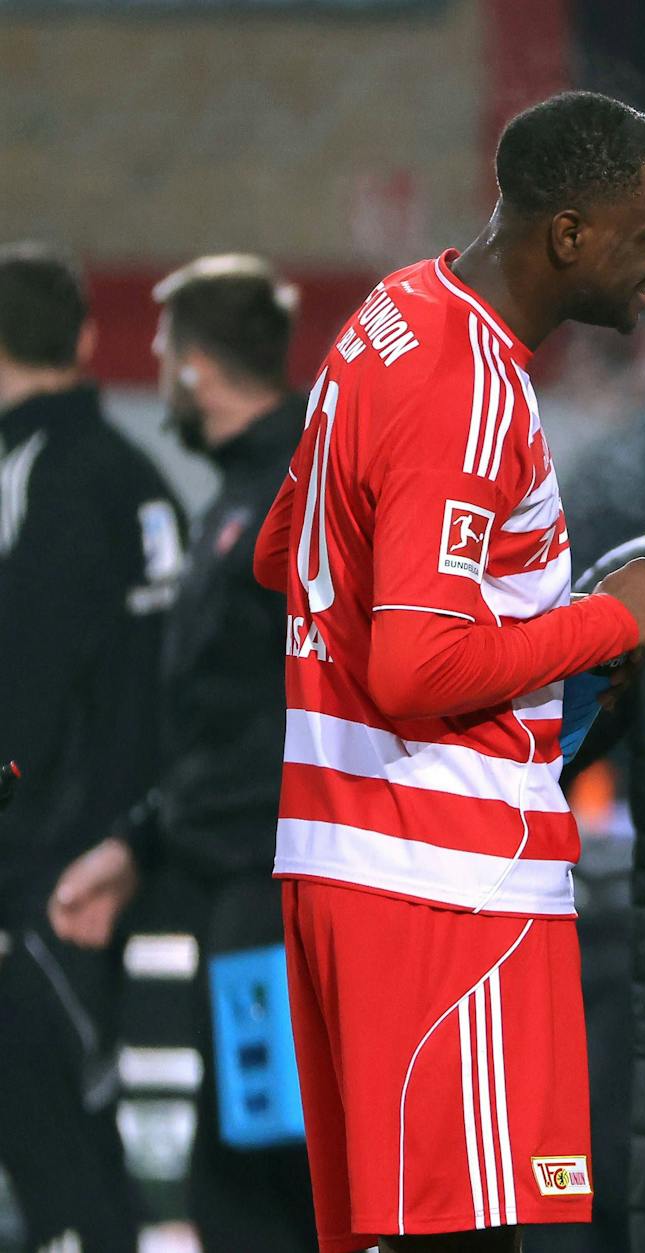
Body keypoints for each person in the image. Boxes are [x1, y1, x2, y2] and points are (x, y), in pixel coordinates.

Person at [251, 91, 645, 1253]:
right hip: (449, 887)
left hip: (347, 859)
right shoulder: (468, 387)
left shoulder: (391, 313)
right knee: (469, 1243)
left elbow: (276, 550)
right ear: (570, 234)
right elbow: (413, 664)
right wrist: (607, 621)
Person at [46, 254, 319, 1250]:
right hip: (227, 875)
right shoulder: (243, 492)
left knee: (275, 1150)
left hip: (273, 882)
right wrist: (142, 842)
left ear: (195, 365)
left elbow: (284, 712)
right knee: (236, 1144)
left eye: (164, 353)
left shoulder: (295, 494)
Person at [0, 241, 183, 1253]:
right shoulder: (138, 475)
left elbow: (20, 699)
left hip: (40, 868)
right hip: (130, 847)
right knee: (86, 1129)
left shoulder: (38, 475)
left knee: (56, 1150)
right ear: (79, 336)